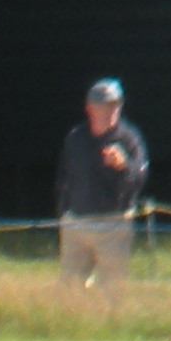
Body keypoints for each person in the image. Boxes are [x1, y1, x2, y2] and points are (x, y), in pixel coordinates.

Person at [54, 77, 148, 289]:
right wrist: (64, 212)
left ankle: (109, 321)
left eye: (116, 104)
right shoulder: (76, 137)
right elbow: (64, 176)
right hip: (76, 224)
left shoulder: (129, 139)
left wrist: (124, 166)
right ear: (90, 108)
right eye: (106, 105)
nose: (112, 110)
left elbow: (140, 178)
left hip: (113, 224)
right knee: (70, 287)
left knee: (112, 289)